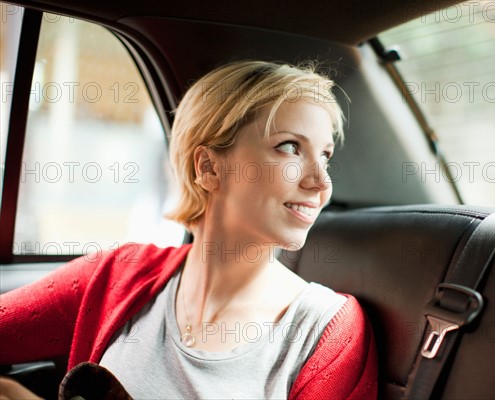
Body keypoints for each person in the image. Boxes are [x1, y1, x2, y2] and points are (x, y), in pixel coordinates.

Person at [0, 60, 378, 399]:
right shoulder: (119, 273)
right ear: (209, 168)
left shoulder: (327, 330)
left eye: (325, 155)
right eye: (290, 147)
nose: (321, 182)